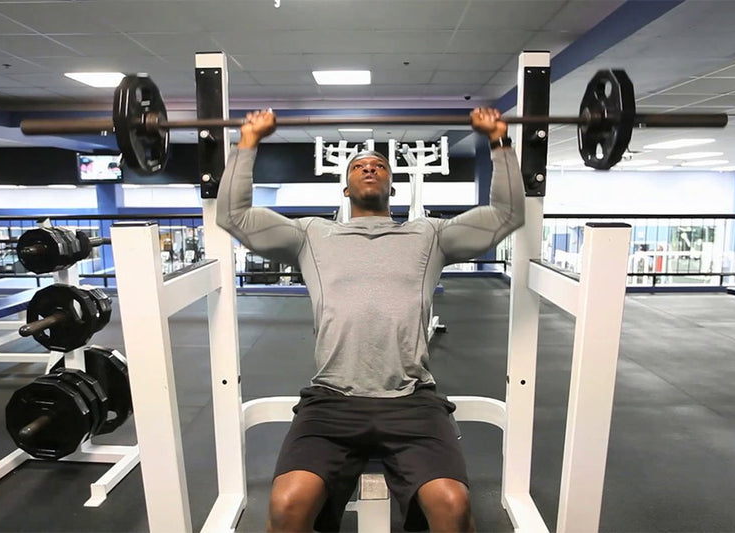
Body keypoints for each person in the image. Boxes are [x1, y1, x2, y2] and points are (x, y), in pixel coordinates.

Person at [216, 108, 525, 533]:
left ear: (390, 184)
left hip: (412, 400)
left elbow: (506, 216)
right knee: (287, 504)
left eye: (378, 165)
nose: (369, 168)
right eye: (359, 166)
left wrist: (499, 142)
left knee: (453, 505)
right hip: (331, 400)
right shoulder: (311, 234)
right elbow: (234, 217)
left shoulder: (429, 235)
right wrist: (248, 141)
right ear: (346, 187)